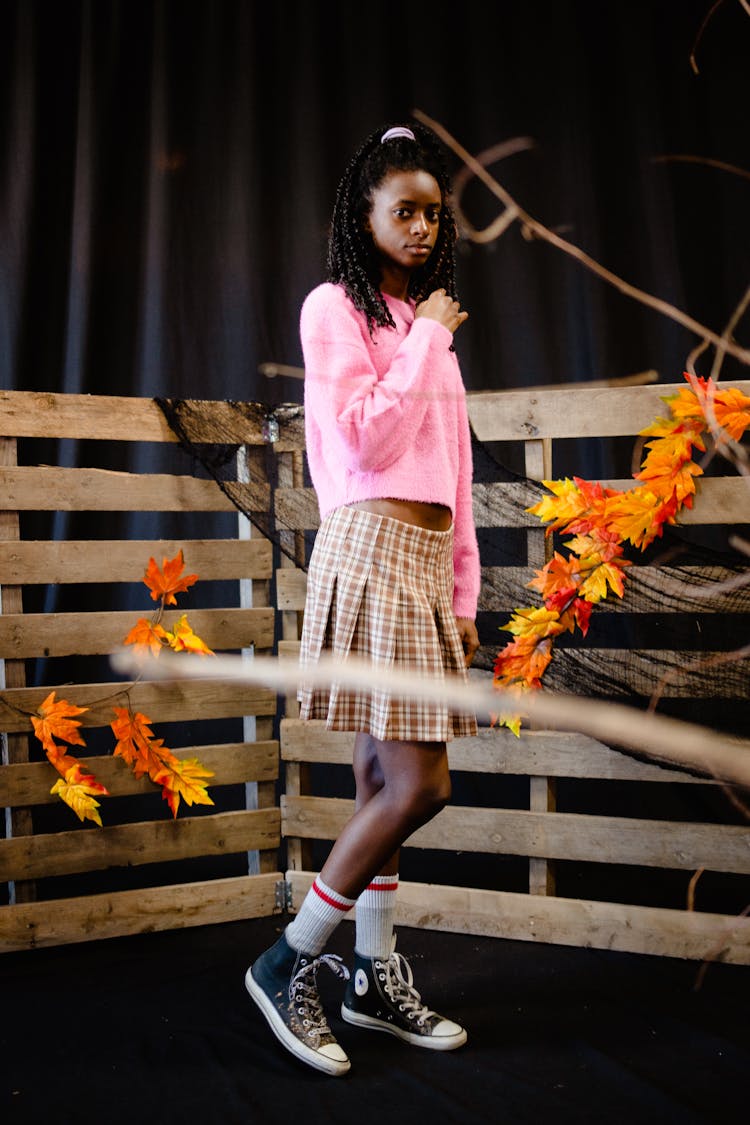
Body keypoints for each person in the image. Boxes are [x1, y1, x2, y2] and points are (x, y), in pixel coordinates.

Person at [246, 121, 481, 1077]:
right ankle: (287, 957)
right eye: (404, 211)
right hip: (368, 547)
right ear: (365, 214)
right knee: (422, 783)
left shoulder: (430, 339)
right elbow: (362, 444)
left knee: (384, 783)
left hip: (423, 565)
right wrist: (427, 332)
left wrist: (464, 590)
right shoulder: (335, 311)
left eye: (432, 214)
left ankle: (369, 976)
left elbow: (454, 473)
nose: (421, 228)